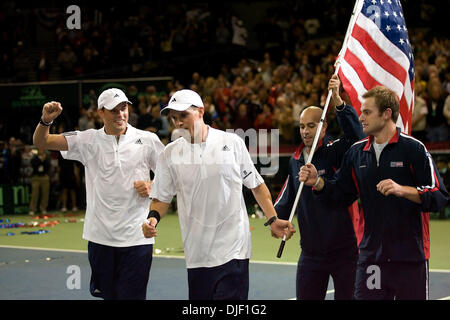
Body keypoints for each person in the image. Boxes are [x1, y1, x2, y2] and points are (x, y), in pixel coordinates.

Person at [141, 89, 295, 300]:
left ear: (201, 111)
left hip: (233, 250)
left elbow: (256, 185)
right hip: (197, 254)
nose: (178, 122)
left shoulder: (231, 143)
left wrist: (273, 218)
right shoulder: (169, 154)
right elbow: (161, 197)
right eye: (173, 117)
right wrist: (152, 218)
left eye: (183, 115)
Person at [299, 85, 449, 300]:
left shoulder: (413, 149)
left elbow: (439, 195)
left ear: (387, 114)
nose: (361, 118)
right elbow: (341, 194)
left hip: (409, 258)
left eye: (367, 112)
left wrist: (402, 190)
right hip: (372, 258)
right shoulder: (356, 152)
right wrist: (319, 182)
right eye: (361, 112)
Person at [32, 88, 165, 300]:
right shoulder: (87, 140)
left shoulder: (147, 139)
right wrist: (45, 121)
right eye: (114, 110)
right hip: (100, 238)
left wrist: (152, 184)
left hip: (137, 237)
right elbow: (41, 142)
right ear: (101, 113)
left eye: (124, 108)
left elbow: (170, 177)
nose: (120, 114)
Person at [274, 75, 364, 300]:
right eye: (302, 126)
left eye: (311, 126)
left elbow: (357, 137)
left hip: (344, 250)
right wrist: (275, 219)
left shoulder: (337, 150)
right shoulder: (296, 159)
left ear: (323, 127)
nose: (305, 131)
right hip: (311, 253)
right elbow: (288, 195)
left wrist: (338, 102)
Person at [29, 149, 51, 215]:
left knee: (45, 193)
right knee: (35, 194)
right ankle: (32, 209)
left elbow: (48, 166)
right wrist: (41, 160)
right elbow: (34, 166)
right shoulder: (34, 158)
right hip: (36, 177)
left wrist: (44, 160)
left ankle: (43, 208)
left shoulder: (46, 158)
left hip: (44, 176)